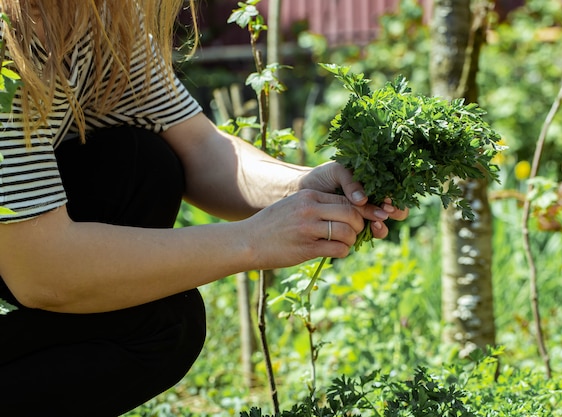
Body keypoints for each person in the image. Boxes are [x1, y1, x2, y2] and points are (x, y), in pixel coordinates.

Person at [0, 1, 408, 416]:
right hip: (34, 261)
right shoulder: (7, 38)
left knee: (139, 166)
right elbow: (41, 270)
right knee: (164, 323)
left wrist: (307, 187)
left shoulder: (99, 17)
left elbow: (201, 146)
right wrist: (253, 241)